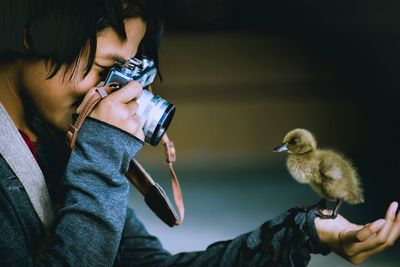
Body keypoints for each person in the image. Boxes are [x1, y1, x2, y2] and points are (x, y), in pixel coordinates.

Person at [0, 0, 398, 266]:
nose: (112, 94)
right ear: (32, 34)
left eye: (125, 74)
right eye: (106, 71)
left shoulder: (53, 143)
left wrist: (305, 233)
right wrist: (102, 156)